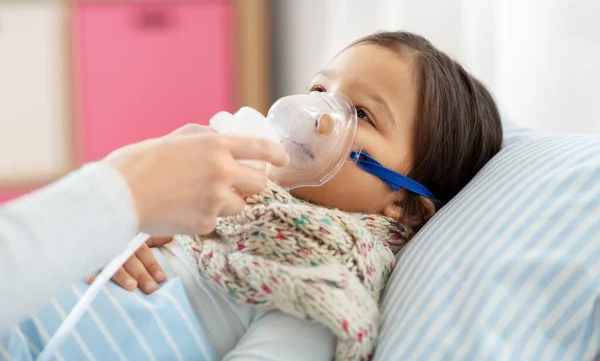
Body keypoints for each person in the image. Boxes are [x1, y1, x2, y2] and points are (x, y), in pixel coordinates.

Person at [4, 31, 503, 360]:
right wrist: (114, 235)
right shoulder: (224, 199)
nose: (318, 113)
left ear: (405, 203)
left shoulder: (323, 277)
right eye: (320, 88)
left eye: (363, 114)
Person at [0, 124, 289, 331]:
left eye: (336, 103)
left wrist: (120, 205)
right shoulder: (202, 219)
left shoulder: (306, 285)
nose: (317, 115)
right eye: (316, 89)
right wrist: (122, 208)